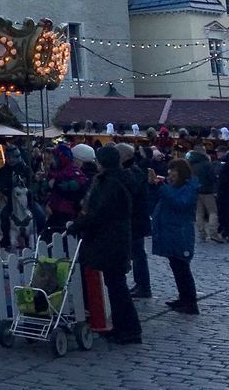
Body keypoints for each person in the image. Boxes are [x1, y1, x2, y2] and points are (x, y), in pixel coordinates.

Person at [68, 144, 141, 344]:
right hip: (114, 238)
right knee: (115, 285)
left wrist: (77, 225)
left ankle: (130, 330)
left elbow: (98, 212)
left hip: (109, 239)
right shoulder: (118, 179)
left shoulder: (110, 183)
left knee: (117, 287)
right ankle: (122, 327)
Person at [151, 156, 199, 314]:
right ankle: (184, 297)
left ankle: (190, 302)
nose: (170, 173)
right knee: (177, 267)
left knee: (182, 268)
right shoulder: (176, 186)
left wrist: (163, 187)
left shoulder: (188, 188)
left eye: (173, 170)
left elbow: (180, 204)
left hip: (180, 232)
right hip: (172, 231)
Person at [116, 143, 153, 298]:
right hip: (135, 219)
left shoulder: (133, 172)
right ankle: (140, 284)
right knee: (136, 253)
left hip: (135, 221)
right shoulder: (133, 171)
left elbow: (131, 195)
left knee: (137, 254)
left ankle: (143, 285)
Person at [47, 143, 88, 234]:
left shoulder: (72, 170)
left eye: (54, 157)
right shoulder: (56, 169)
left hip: (66, 209)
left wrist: (60, 184)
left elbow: (81, 183)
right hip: (55, 207)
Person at [187, 143, 218, 243]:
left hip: (196, 191)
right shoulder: (207, 164)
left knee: (199, 213)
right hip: (207, 191)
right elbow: (212, 177)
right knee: (212, 212)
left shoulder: (191, 163)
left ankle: (201, 234)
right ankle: (213, 233)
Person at [214, 146, 229, 244]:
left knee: (225, 212)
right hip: (225, 192)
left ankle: (225, 231)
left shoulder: (225, 165)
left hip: (225, 193)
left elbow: (223, 180)